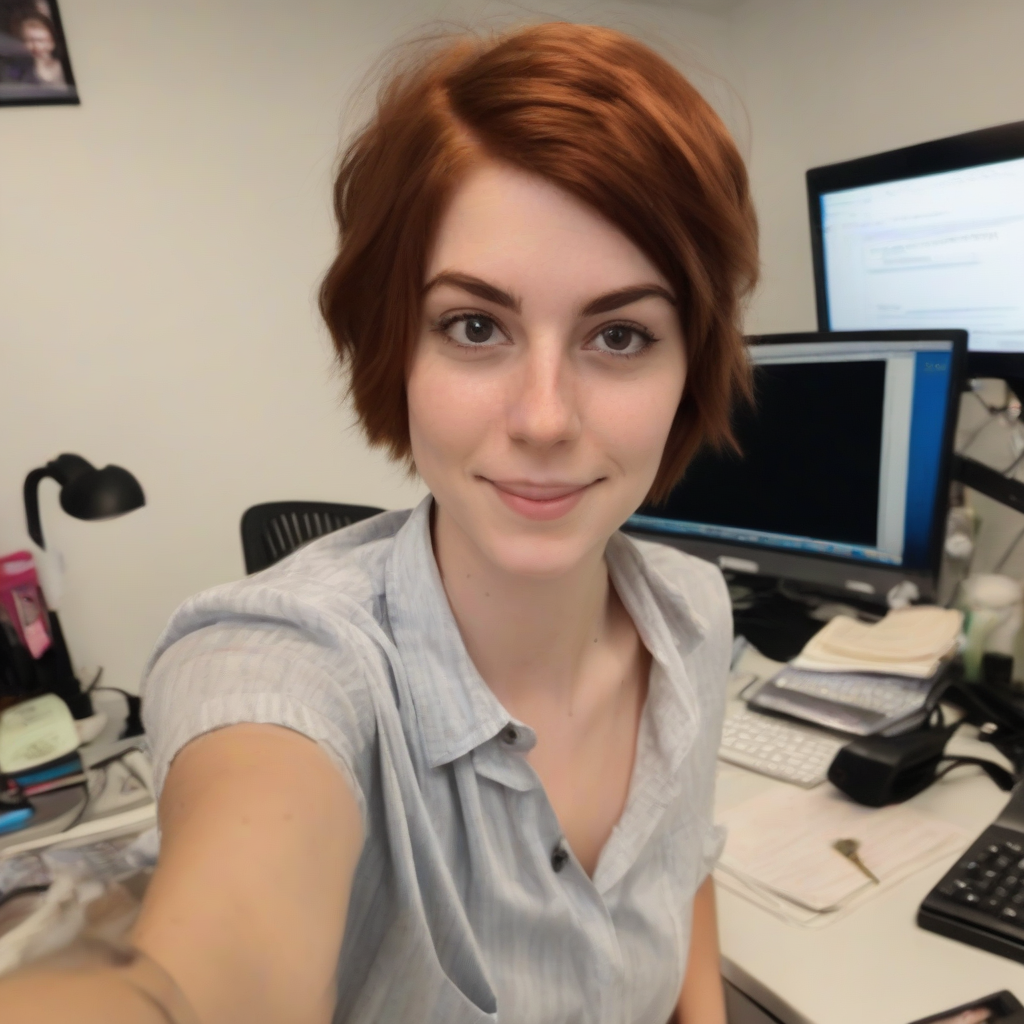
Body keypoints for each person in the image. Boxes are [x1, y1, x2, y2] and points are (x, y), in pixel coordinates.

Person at [0, 21, 757, 1024]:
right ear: (394, 348)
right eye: (474, 326)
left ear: (686, 367)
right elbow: (207, 962)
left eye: (619, 334)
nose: (542, 418)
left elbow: (678, 869)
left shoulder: (693, 613)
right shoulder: (286, 662)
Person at [4, 10, 66, 87]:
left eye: (41, 41)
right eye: (29, 40)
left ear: (52, 43)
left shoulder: (63, 68)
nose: (36, 47)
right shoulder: (15, 71)